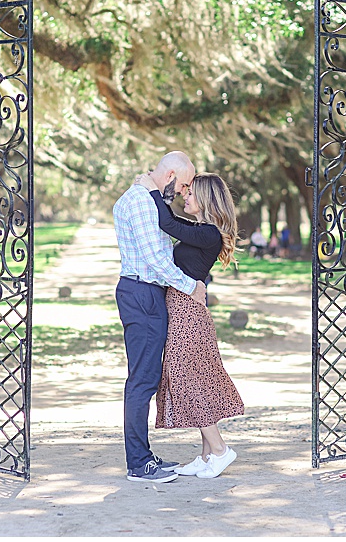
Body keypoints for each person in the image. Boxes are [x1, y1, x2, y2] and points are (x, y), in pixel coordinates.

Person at [136, 171, 244, 479]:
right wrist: (163, 194)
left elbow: (166, 223)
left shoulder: (209, 233)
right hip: (182, 310)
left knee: (188, 381)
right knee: (193, 379)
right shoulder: (199, 229)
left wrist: (151, 190)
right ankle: (207, 456)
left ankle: (221, 450)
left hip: (188, 315)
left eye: (191, 192)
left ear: (207, 198)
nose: (186, 195)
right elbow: (170, 221)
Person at [113, 151, 208, 484]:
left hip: (145, 294)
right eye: (183, 184)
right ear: (170, 175)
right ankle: (138, 464)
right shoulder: (141, 201)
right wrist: (191, 287)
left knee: (146, 378)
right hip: (142, 294)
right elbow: (156, 260)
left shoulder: (145, 198)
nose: (184, 192)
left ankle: (143, 456)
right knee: (142, 381)